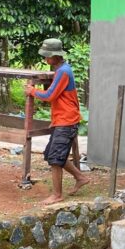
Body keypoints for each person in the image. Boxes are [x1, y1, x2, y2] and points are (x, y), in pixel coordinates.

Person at [25, 38, 89, 205]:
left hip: (66, 121)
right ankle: (80, 177)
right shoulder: (61, 69)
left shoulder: (63, 72)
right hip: (61, 119)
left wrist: (32, 91)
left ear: (55, 56)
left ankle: (57, 195)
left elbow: (49, 96)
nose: (45, 59)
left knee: (55, 158)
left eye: (48, 56)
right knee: (51, 154)